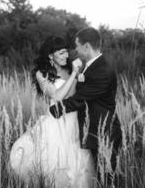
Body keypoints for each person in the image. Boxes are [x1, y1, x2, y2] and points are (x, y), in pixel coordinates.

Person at [9, 36, 95, 187]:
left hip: (74, 121)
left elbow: (81, 95)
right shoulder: (41, 73)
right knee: (54, 163)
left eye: (66, 52)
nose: (66, 56)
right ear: (50, 55)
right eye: (61, 53)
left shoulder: (70, 69)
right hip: (55, 122)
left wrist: (80, 75)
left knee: (77, 166)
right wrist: (74, 74)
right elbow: (56, 95)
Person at [49, 27, 122, 185]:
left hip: (104, 134)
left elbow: (80, 99)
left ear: (86, 46)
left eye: (77, 45)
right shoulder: (90, 66)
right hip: (94, 131)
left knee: (107, 181)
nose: (75, 50)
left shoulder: (102, 70)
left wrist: (54, 110)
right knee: (97, 178)